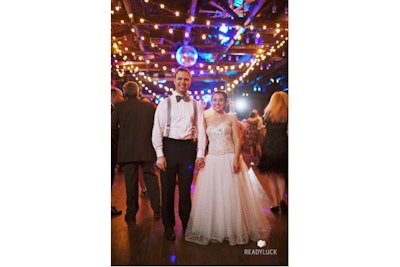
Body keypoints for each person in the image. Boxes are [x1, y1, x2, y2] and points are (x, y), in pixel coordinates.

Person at [185, 90, 271, 246]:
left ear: (225, 102)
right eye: (215, 100)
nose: (217, 103)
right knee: (213, 194)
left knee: (230, 193)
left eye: (220, 100)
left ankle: (232, 228)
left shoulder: (231, 118)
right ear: (211, 101)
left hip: (229, 157)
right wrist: (200, 152)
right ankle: (216, 228)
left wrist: (237, 159)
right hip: (212, 159)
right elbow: (201, 140)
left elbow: (238, 140)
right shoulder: (205, 118)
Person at [152, 67, 207, 241]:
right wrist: (160, 154)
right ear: (174, 81)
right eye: (180, 79)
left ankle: (186, 224)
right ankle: (168, 226)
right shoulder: (164, 103)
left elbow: (201, 130)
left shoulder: (196, 104)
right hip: (169, 147)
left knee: (185, 189)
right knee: (167, 189)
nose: (183, 82)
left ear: (190, 82)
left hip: (188, 149)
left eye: (186, 79)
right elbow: (157, 130)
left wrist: (200, 154)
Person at [112, 81, 161, 223]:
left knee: (131, 182)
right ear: (138, 91)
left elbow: (112, 127)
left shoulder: (119, 107)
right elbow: (155, 128)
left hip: (127, 150)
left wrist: (120, 141)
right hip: (146, 148)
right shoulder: (149, 107)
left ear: (125, 93)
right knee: (151, 178)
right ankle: (157, 209)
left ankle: (131, 213)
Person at [257, 91, 288, 214]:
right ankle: (282, 200)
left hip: (269, 145)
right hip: (283, 145)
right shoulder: (287, 112)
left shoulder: (268, 113)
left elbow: (264, 132)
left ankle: (275, 203)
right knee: (281, 175)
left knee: (271, 175)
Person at [111, 87, 124, 216]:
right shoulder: (112, 110)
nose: (122, 98)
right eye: (120, 96)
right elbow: (112, 130)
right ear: (114, 97)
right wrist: (118, 142)